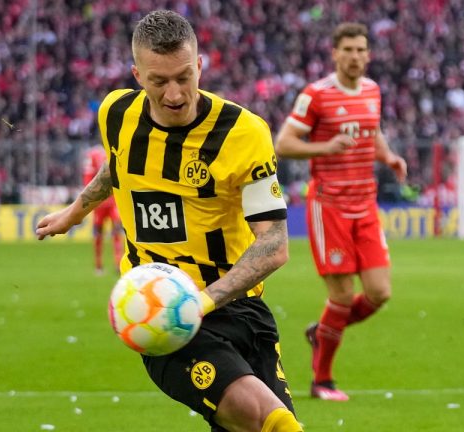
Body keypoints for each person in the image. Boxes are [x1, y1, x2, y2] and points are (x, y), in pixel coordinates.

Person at [36, 10, 302, 432]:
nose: (175, 94)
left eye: (184, 77)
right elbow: (117, 166)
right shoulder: (116, 113)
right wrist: (74, 213)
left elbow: (274, 243)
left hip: (238, 307)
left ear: (199, 66)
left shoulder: (243, 133)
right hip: (161, 314)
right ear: (137, 74)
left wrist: (204, 301)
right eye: (159, 82)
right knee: (272, 423)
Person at [274, 23, 407, 401]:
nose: (355, 56)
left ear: (369, 54)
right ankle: (322, 380)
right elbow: (283, 143)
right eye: (347, 49)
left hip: (365, 202)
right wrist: (326, 148)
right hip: (328, 204)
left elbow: (372, 130)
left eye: (361, 49)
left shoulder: (372, 91)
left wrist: (389, 156)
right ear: (334, 53)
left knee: (380, 292)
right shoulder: (316, 95)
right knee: (344, 296)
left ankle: (323, 330)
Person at [82, 145, 123, 275]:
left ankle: (118, 264)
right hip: (99, 204)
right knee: (98, 235)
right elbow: (87, 177)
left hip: (114, 203)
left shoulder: (118, 148)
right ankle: (98, 265)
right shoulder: (94, 154)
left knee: (117, 231)